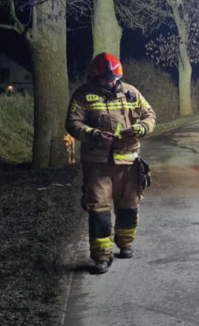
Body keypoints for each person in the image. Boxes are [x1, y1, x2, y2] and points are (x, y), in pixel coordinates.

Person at [65, 52, 156, 274]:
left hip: (128, 162)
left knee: (129, 207)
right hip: (97, 164)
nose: (111, 82)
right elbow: (72, 123)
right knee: (99, 210)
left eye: (114, 78)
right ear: (94, 76)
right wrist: (93, 134)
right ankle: (101, 257)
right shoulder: (83, 95)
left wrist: (141, 128)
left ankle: (125, 244)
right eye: (106, 79)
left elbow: (150, 115)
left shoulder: (131, 93)